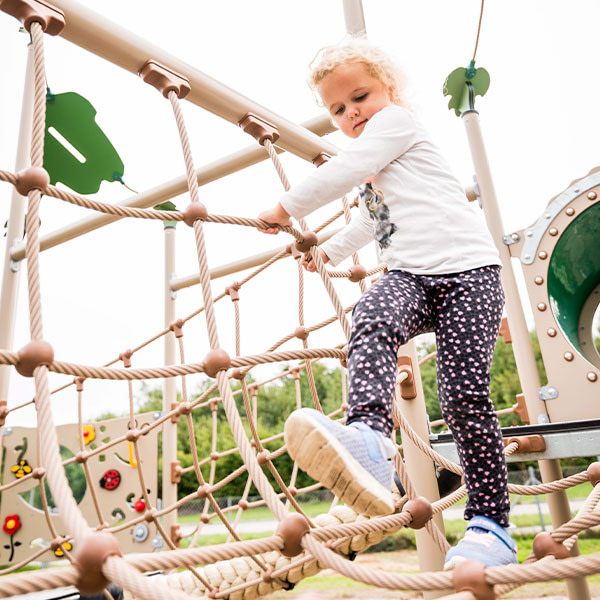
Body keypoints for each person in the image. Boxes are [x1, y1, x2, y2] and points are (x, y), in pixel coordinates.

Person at [256, 38, 517, 570]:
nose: (352, 113)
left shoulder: (395, 125)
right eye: (338, 109)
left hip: (469, 275)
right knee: (371, 317)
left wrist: (286, 207)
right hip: (412, 277)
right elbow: (370, 221)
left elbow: (344, 172)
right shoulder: (376, 166)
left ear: (388, 91)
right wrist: (326, 252)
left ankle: (491, 524)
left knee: (463, 395)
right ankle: (370, 442)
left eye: (360, 96)